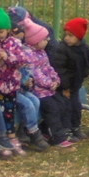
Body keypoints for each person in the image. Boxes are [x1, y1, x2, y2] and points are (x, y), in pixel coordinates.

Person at [0, 7, 33, 152]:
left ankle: (11, 136)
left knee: (10, 110)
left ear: (7, 30)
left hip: (11, 86)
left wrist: (8, 58)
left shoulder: (14, 44)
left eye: (1, 31)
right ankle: (0, 136)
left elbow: (22, 60)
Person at [46, 17, 89, 146]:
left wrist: (85, 73)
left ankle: (76, 127)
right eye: (66, 35)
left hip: (76, 83)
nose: (67, 38)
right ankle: (67, 129)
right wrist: (65, 86)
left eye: (71, 36)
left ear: (79, 37)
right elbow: (60, 69)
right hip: (64, 86)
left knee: (76, 106)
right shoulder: (62, 49)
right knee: (66, 107)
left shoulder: (85, 48)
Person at [21, 20, 61, 148]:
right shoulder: (29, 54)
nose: (48, 40)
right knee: (51, 107)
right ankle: (56, 135)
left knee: (61, 102)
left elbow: (48, 68)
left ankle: (57, 129)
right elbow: (36, 75)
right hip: (38, 90)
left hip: (48, 89)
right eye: (45, 38)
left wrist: (56, 80)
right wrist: (50, 84)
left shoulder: (42, 52)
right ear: (36, 40)